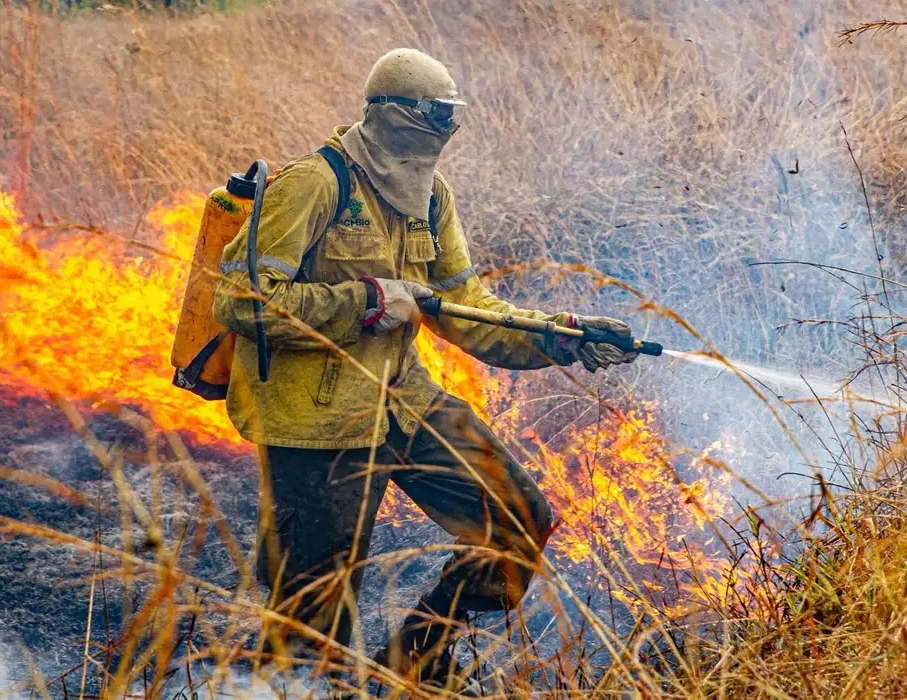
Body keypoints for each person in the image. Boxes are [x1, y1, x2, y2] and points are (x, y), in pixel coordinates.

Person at [213, 48, 638, 692]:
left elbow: (468, 312)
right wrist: (366, 301)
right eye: (436, 114)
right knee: (312, 621)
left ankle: (413, 664)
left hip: (404, 402)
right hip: (317, 426)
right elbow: (243, 302)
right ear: (393, 115)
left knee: (517, 518)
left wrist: (565, 337)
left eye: (452, 115)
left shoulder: (431, 195)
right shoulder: (313, 185)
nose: (447, 129)